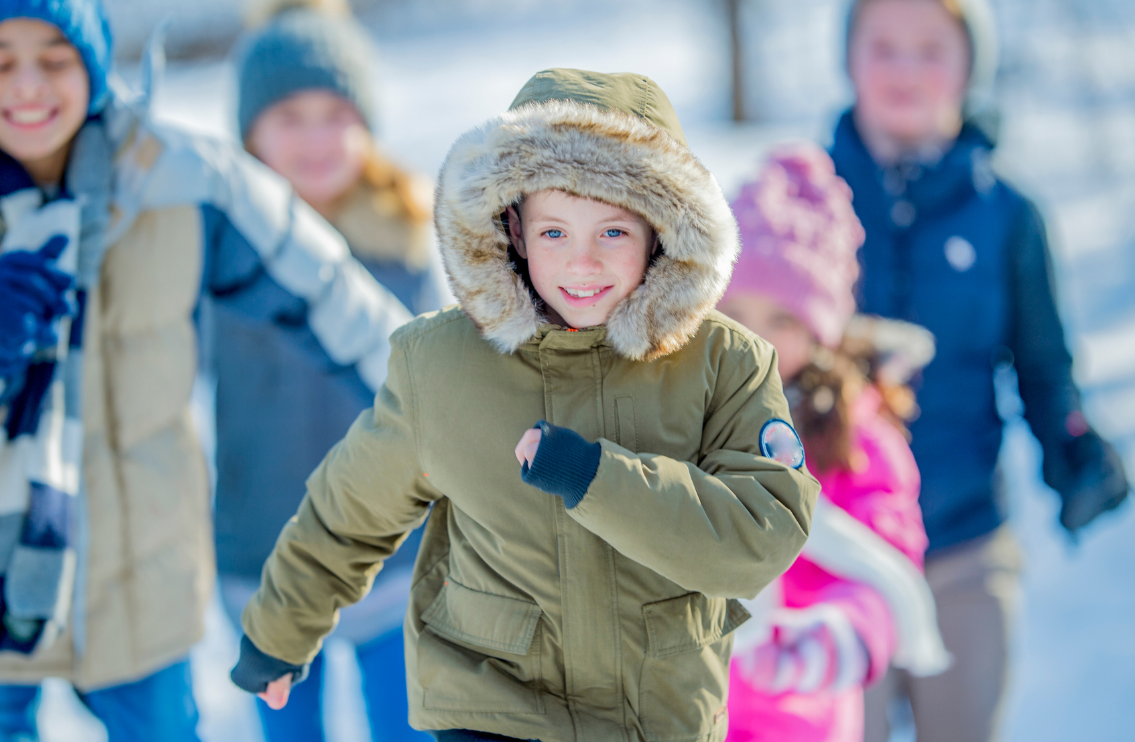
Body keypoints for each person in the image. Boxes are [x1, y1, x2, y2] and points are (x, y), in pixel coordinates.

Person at [228, 68, 820, 742]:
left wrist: (596, 479)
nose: (583, 263)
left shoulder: (726, 364)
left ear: (661, 230)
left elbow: (760, 535)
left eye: (614, 233)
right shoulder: (444, 363)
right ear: (512, 231)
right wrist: (280, 629)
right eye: (555, 234)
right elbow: (349, 513)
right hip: (492, 704)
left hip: (655, 714)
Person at [0, 0, 412, 739]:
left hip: (141, 580)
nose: (30, 87)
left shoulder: (180, 180)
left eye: (55, 57)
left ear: (96, 62)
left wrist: (454, 412)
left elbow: (331, 297)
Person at [829, 1, 1131, 740]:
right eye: (885, 47)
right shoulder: (807, 196)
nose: (906, 70)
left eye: (931, 49)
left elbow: (1042, 366)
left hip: (963, 543)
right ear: (849, 57)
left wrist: (1074, 449)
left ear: (971, 66)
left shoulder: (1008, 214)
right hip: (833, 546)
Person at [213, 4, 449, 741]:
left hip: (393, 558)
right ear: (249, 131)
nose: (316, 138)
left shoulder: (402, 238)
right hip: (266, 557)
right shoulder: (218, 248)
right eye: (290, 115)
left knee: (405, 723)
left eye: (335, 113)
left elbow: (438, 389)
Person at [717, 146, 948, 742]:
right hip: (686, 703)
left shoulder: (850, 431)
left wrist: (843, 633)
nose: (754, 339)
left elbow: (886, 544)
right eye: (735, 312)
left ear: (820, 332)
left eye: (782, 320)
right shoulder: (690, 411)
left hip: (794, 707)